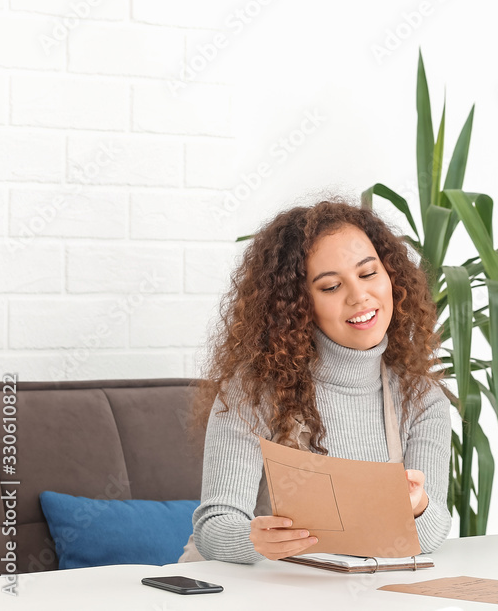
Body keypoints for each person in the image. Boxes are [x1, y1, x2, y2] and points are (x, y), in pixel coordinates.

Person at [181, 199, 452, 563]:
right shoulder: (253, 391)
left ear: (392, 278)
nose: (359, 296)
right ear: (297, 305)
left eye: (368, 274)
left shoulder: (422, 399)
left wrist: (417, 506)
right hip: (261, 590)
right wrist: (254, 541)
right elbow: (214, 528)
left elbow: (430, 537)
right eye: (330, 287)